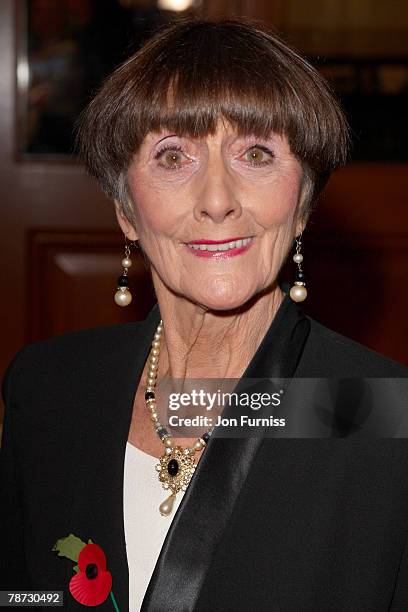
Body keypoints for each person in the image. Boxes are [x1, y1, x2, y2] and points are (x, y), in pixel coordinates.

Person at [1, 17, 408, 612]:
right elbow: (23, 595)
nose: (217, 200)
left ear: (303, 205)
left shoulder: (383, 417)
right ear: (126, 211)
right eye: (173, 157)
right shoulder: (48, 389)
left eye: (257, 153)